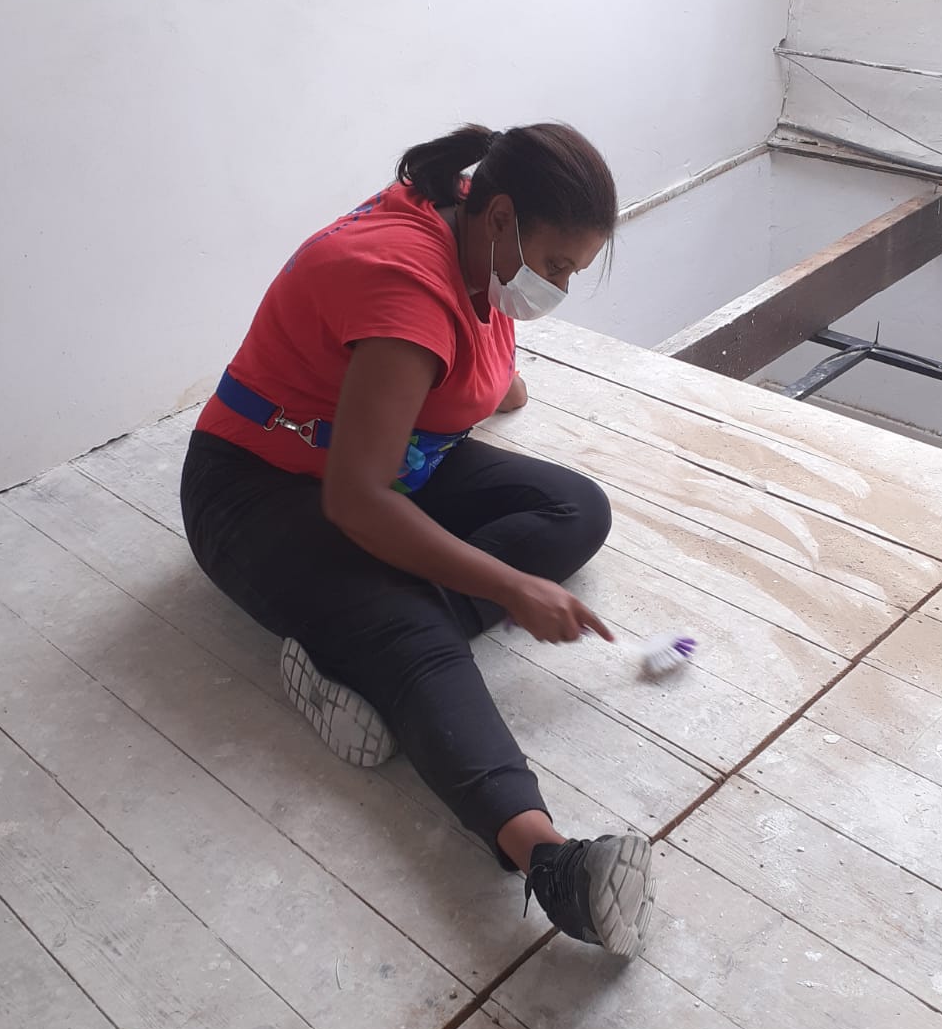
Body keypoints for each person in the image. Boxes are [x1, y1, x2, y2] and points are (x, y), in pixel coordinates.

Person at [181, 122, 656, 956]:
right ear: (501, 218)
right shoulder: (403, 287)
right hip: (257, 488)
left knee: (574, 508)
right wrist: (507, 586)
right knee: (413, 628)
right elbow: (357, 500)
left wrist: (497, 385)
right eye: (555, 266)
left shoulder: (467, 224)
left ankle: (361, 655)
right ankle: (554, 866)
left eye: (572, 273)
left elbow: (455, 367)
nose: (558, 288)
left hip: (399, 458)